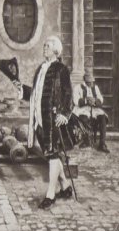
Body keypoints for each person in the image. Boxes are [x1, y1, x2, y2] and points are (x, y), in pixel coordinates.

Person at [12, 35, 74, 209]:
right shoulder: (41, 68)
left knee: (52, 154)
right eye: (45, 45)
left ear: (56, 50)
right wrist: (23, 89)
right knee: (51, 154)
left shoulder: (61, 69)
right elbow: (36, 93)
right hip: (39, 119)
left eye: (47, 45)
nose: (44, 47)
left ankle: (50, 194)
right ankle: (66, 186)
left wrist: (65, 114)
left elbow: (68, 93)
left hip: (53, 119)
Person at [73, 70, 110, 153]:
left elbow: (101, 99)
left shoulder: (95, 87)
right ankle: (87, 140)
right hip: (82, 109)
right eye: (89, 82)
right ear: (85, 80)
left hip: (94, 109)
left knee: (103, 118)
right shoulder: (77, 87)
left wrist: (95, 101)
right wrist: (86, 101)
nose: (91, 83)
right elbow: (75, 101)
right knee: (83, 118)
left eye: (92, 81)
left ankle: (102, 144)